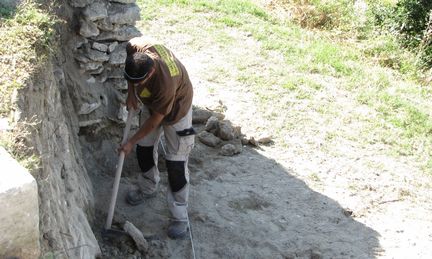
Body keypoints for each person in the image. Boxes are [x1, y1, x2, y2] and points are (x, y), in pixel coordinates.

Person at [119, 36, 195, 239]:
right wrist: (131, 93)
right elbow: (132, 75)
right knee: (143, 149)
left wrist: (130, 141)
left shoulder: (165, 83)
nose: (135, 83)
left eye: (139, 82)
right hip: (153, 103)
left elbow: (154, 121)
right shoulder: (135, 47)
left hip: (177, 109)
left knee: (175, 164)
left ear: (151, 72)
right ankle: (148, 187)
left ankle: (180, 216)